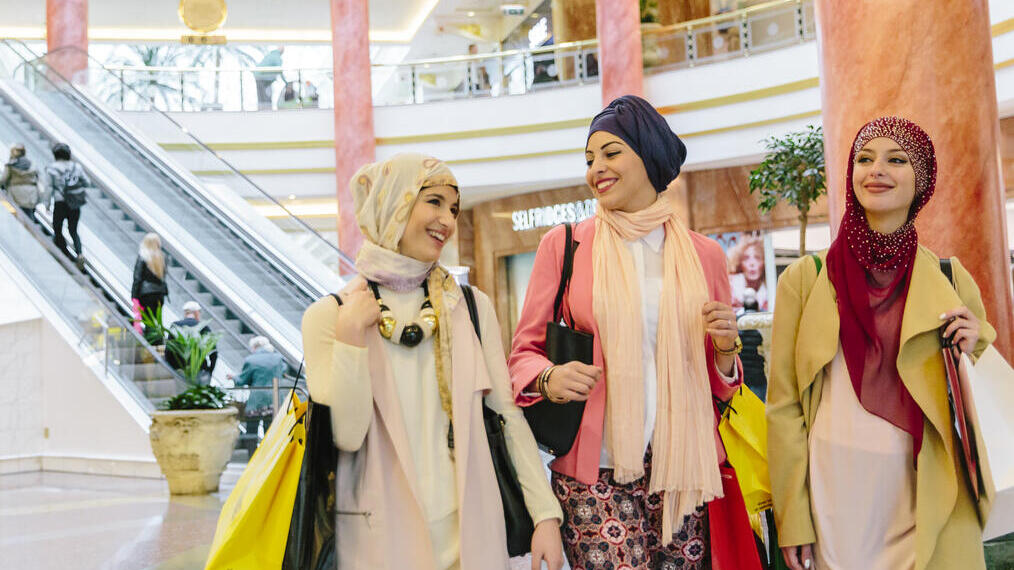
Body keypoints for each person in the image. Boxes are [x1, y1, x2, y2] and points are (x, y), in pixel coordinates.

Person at [509, 95, 761, 569]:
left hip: (684, 468)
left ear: (648, 155)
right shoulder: (565, 245)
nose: (596, 169)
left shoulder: (703, 255)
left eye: (611, 153)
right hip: (595, 472)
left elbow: (721, 387)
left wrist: (727, 351)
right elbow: (523, 353)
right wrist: (549, 377)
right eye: (589, 159)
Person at [301, 153, 564, 569]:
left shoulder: (470, 307)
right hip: (377, 543)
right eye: (435, 202)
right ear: (394, 202)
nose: (447, 220)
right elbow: (347, 436)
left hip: (472, 536)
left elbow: (506, 415)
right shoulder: (328, 316)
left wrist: (545, 514)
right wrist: (351, 336)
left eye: (454, 208)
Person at [767, 117, 997, 570]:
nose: (876, 170)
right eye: (864, 158)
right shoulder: (806, 279)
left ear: (922, 180)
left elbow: (984, 389)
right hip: (837, 493)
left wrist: (977, 342)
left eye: (896, 159)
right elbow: (784, 406)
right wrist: (792, 516)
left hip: (928, 484)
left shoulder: (950, 278)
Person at [229, 336, 286, 450]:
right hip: (274, 400)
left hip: (256, 401)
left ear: (255, 347)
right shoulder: (278, 359)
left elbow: (242, 381)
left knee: (252, 430)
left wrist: (234, 377)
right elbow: (282, 371)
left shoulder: (251, 360)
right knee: (270, 430)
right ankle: (269, 455)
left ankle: (252, 455)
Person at [45, 142, 90, 268]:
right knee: (73, 230)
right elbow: (87, 182)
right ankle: (80, 254)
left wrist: (47, 204)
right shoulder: (77, 167)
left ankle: (65, 254)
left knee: (57, 228)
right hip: (75, 203)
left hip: (60, 202)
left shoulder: (52, 168)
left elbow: (49, 188)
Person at [167, 300, 217, 379]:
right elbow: (213, 352)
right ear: (196, 313)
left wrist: (172, 368)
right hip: (199, 370)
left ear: (185, 313)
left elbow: (169, 350)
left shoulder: (175, 325)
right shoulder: (203, 327)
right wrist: (210, 371)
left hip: (179, 369)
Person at [131, 233, 169, 328]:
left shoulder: (143, 256)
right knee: (158, 321)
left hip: (146, 294)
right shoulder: (162, 257)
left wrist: (134, 295)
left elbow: (137, 277)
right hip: (160, 294)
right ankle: (158, 337)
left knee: (148, 321)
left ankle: (150, 336)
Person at [1, 143, 44, 222]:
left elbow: (3, 179)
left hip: (15, 193)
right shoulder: (32, 165)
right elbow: (39, 179)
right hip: (31, 194)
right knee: (29, 214)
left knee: (15, 213)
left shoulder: (10, 165)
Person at [728, 234, 768, 314]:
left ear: (764, 262)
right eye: (746, 258)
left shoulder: (770, 290)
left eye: (757, 257)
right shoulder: (730, 286)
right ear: (739, 263)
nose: (752, 263)